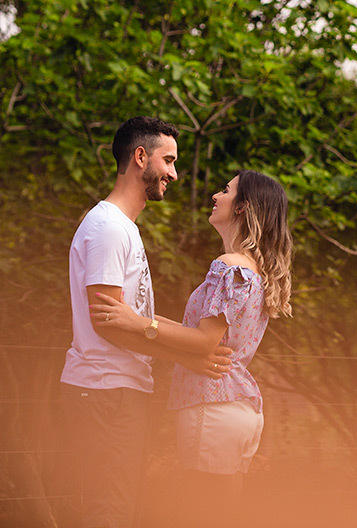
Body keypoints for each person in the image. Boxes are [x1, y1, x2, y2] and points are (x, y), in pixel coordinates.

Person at [60, 116, 233, 528]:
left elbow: (130, 317)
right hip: (104, 391)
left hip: (119, 391)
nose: (173, 173)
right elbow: (108, 321)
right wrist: (184, 354)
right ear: (141, 157)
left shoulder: (125, 229)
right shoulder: (108, 229)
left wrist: (186, 350)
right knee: (110, 511)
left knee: (120, 507)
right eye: (168, 160)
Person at [91, 169, 293, 521]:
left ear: (243, 207)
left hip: (212, 406)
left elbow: (202, 342)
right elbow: (194, 331)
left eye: (226, 190)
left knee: (203, 515)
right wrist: (138, 317)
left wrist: (139, 324)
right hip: (237, 408)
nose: (216, 195)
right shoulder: (251, 270)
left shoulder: (228, 267)